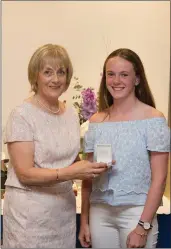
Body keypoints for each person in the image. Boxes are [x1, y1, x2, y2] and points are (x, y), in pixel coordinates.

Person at [2, 44, 108, 248]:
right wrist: (72, 172)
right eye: (48, 72)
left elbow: (69, 160)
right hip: (29, 219)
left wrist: (92, 166)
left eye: (61, 72)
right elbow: (25, 174)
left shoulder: (69, 114)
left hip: (62, 217)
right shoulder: (21, 115)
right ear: (35, 76)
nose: (56, 79)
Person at [79, 48, 170, 248]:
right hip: (100, 212)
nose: (116, 80)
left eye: (124, 74)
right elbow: (87, 176)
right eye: (111, 74)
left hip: (137, 212)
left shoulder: (153, 119)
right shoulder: (96, 121)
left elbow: (160, 178)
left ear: (137, 79)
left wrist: (142, 226)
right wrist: (84, 220)